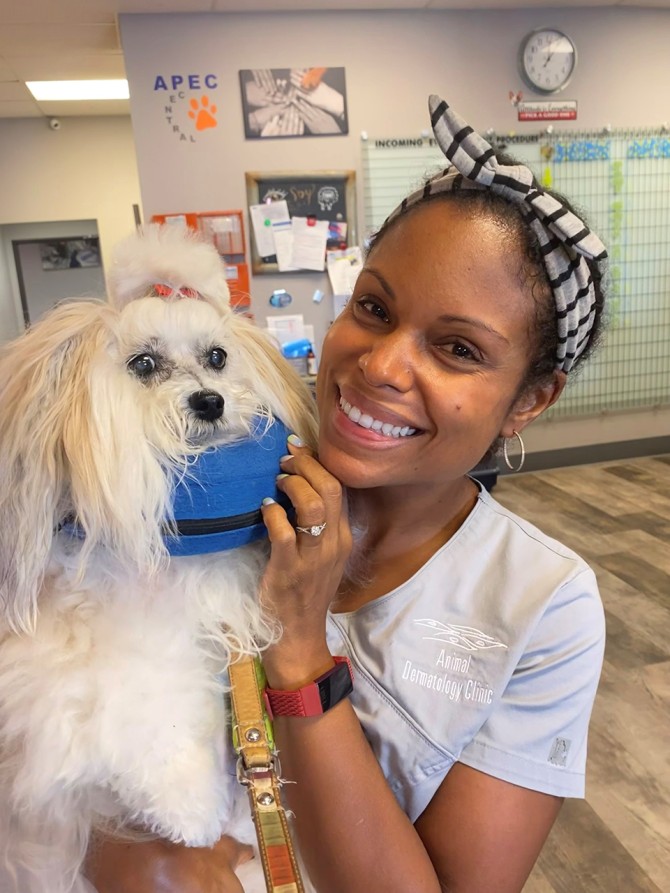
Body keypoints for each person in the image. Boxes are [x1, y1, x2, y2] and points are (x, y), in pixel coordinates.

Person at [86, 95, 607, 893]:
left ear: (531, 398)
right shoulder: (217, 483)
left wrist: (299, 640)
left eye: (458, 348)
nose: (381, 365)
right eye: (373, 308)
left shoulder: (543, 604)